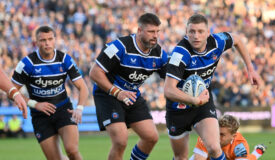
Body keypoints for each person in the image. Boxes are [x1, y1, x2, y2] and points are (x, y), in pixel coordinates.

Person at [164, 14, 263, 160]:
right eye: (192, 31)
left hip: (203, 102)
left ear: (208, 32)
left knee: (214, 147)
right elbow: (169, 90)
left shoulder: (218, 42)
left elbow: (238, 40)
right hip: (178, 108)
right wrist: (194, 100)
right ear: (186, 32)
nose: (196, 36)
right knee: (180, 157)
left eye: (200, 31)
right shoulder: (180, 53)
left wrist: (250, 68)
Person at [89, 13, 168, 160]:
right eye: (151, 31)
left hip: (131, 95)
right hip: (108, 94)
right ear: (139, 31)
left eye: (157, 31)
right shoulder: (119, 47)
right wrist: (117, 92)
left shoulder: (159, 54)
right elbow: (94, 73)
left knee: (151, 137)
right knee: (120, 141)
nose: (155, 36)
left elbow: (172, 77)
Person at [11, 26, 89, 160]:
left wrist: (80, 108)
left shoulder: (65, 59)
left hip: (64, 109)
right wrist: (35, 104)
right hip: (40, 115)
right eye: (42, 40)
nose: (47, 43)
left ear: (55, 40)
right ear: (36, 42)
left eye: (50, 39)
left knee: (72, 150)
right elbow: (11, 91)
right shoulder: (27, 63)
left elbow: (83, 87)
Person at [190, 115, 267, 160]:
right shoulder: (208, 135)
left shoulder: (240, 145)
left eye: (222, 134)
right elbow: (198, 158)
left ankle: (256, 153)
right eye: (217, 132)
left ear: (233, 136)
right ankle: (257, 152)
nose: (217, 137)